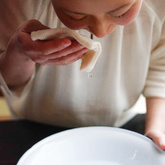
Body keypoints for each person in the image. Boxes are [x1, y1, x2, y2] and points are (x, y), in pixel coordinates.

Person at [0, 0, 165, 150]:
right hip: (33, 127)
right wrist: (20, 52)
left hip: (121, 126)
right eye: (76, 17)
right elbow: (7, 83)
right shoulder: (18, 5)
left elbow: (161, 69)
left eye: (120, 13)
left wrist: (155, 130)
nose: (100, 32)